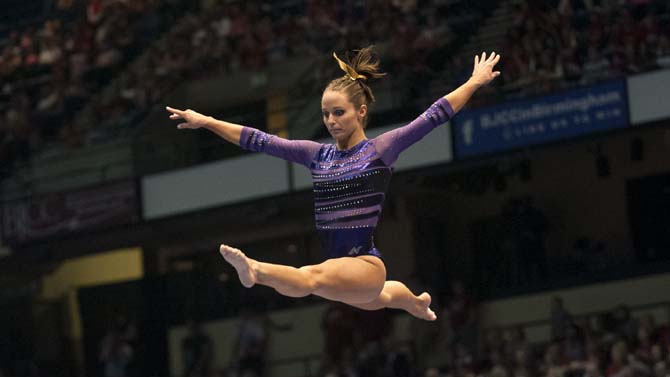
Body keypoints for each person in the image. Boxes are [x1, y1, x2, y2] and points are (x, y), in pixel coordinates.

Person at [167, 47, 501, 321]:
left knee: (311, 277)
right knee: (382, 297)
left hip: (365, 265)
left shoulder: (380, 150)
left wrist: (474, 82)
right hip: (349, 275)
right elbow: (258, 140)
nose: (331, 121)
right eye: (326, 114)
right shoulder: (316, 155)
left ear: (361, 112)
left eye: (339, 112)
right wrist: (207, 121)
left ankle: (255, 270)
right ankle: (415, 302)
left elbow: (435, 115)